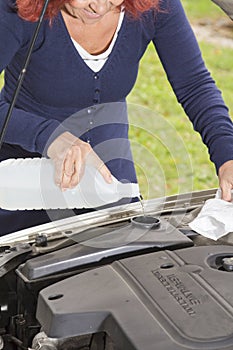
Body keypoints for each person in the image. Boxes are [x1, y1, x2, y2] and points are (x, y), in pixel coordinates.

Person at [1, 0, 233, 236]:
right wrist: (49, 136)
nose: (100, 8)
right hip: (22, 187)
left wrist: (227, 155)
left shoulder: (155, 5)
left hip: (111, 185)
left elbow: (194, 86)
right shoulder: (18, 8)